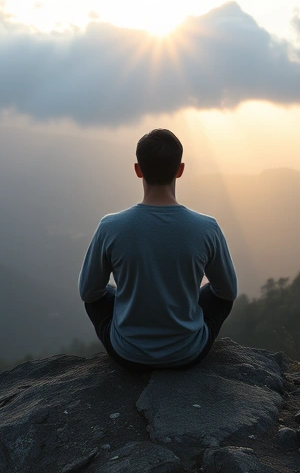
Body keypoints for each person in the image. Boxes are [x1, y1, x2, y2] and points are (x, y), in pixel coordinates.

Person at [79, 128, 237, 371]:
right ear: (180, 170)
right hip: (189, 353)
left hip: (127, 354)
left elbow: (89, 292)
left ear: (138, 169)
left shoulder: (110, 227)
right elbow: (227, 291)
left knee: (103, 295)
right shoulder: (207, 228)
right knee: (217, 294)